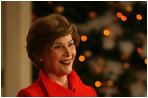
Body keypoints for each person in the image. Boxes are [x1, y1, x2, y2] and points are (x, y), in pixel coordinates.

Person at [17, 13, 97, 97]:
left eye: (70, 44)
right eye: (58, 47)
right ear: (40, 54)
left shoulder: (89, 92)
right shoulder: (29, 95)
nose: (68, 53)